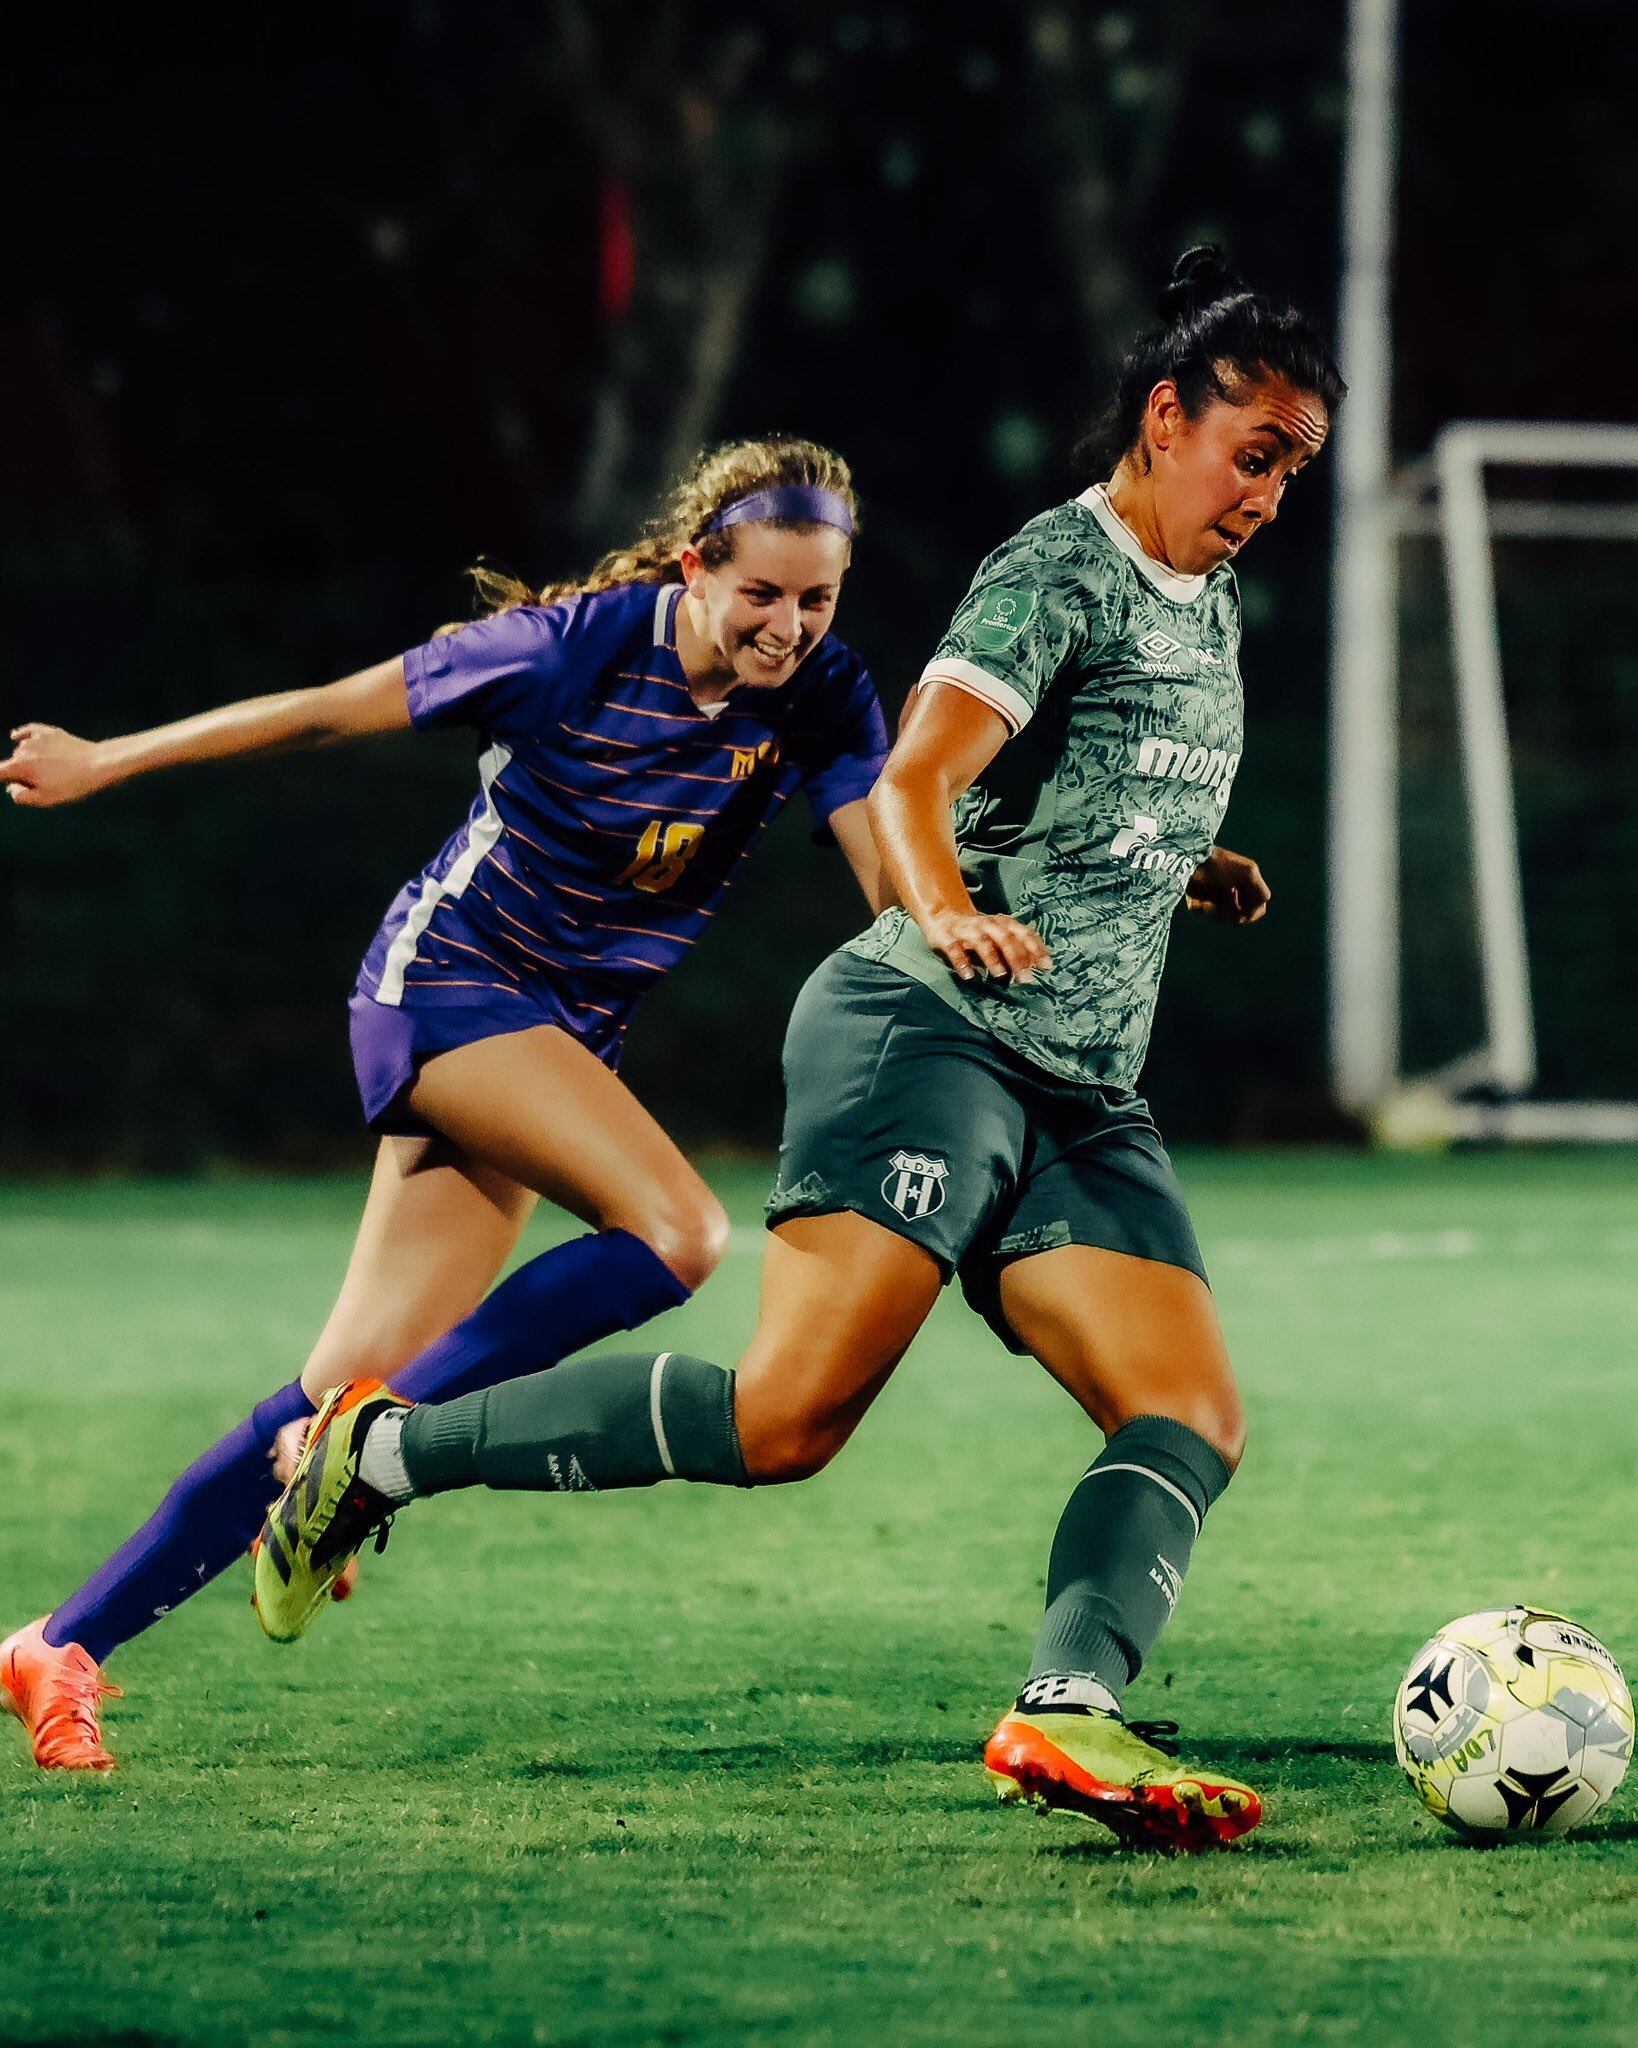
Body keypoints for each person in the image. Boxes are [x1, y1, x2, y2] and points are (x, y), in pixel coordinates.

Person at [261, 246, 1343, 1851]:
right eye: (1254, 453)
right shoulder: (1055, 570)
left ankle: (1067, 1716)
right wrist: (953, 918)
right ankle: (381, 1448)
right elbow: (911, 785)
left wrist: (1181, 860)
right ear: (1166, 415)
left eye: (1294, 470)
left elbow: (1078, 783)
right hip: (931, 1031)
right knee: (787, 1422)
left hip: (1080, 1085)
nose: (1269, 492)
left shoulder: (1210, 594)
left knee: (1188, 1412)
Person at [1, 437, 889, 1772]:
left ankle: (60, 1642)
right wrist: (104, 759)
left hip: (553, 1033)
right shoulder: (567, 648)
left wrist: (1130, 876)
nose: (788, 625)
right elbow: (315, 710)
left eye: (816, 600)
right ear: (699, 564)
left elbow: (906, 873)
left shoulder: (819, 697)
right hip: (449, 986)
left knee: (335, 1381)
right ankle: (360, 1455)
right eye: (762, 592)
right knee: (678, 1235)